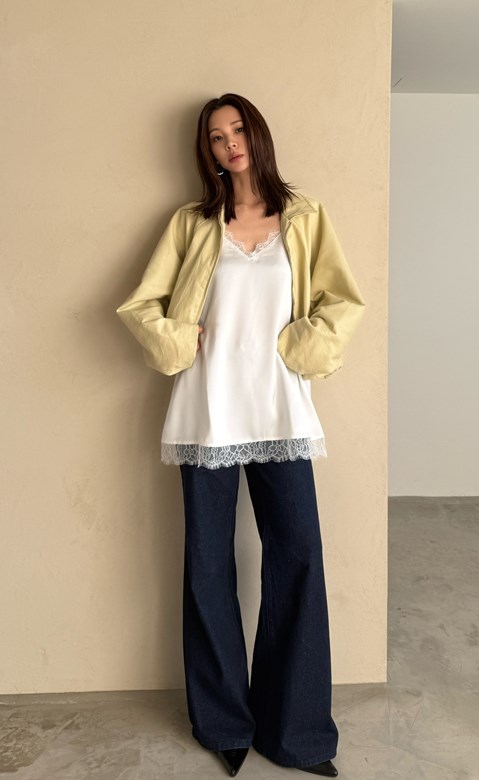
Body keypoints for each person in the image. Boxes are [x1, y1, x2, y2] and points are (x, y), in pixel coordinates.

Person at [116, 93, 366, 778]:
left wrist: (297, 348)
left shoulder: (304, 217)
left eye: (238, 130)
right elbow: (140, 305)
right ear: (208, 150)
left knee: (299, 556)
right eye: (216, 136)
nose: (229, 144)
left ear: (258, 134)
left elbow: (342, 301)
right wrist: (179, 338)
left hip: (280, 411)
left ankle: (297, 731)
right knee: (208, 564)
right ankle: (224, 723)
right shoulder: (192, 223)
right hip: (208, 413)